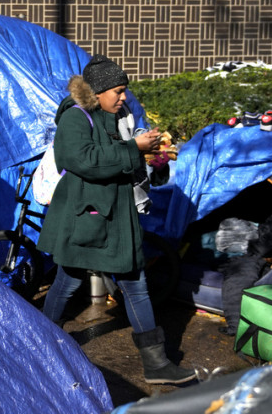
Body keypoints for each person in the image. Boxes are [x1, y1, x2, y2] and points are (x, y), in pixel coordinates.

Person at [36, 54, 196, 385]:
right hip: (87, 217)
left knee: (133, 284)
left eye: (124, 91)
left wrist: (152, 155)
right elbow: (81, 159)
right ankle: (40, 346)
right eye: (118, 91)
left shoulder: (119, 115)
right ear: (97, 91)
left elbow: (123, 154)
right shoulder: (76, 117)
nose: (124, 98)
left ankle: (156, 364)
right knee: (68, 279)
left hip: (116, 218)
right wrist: (132, 149)